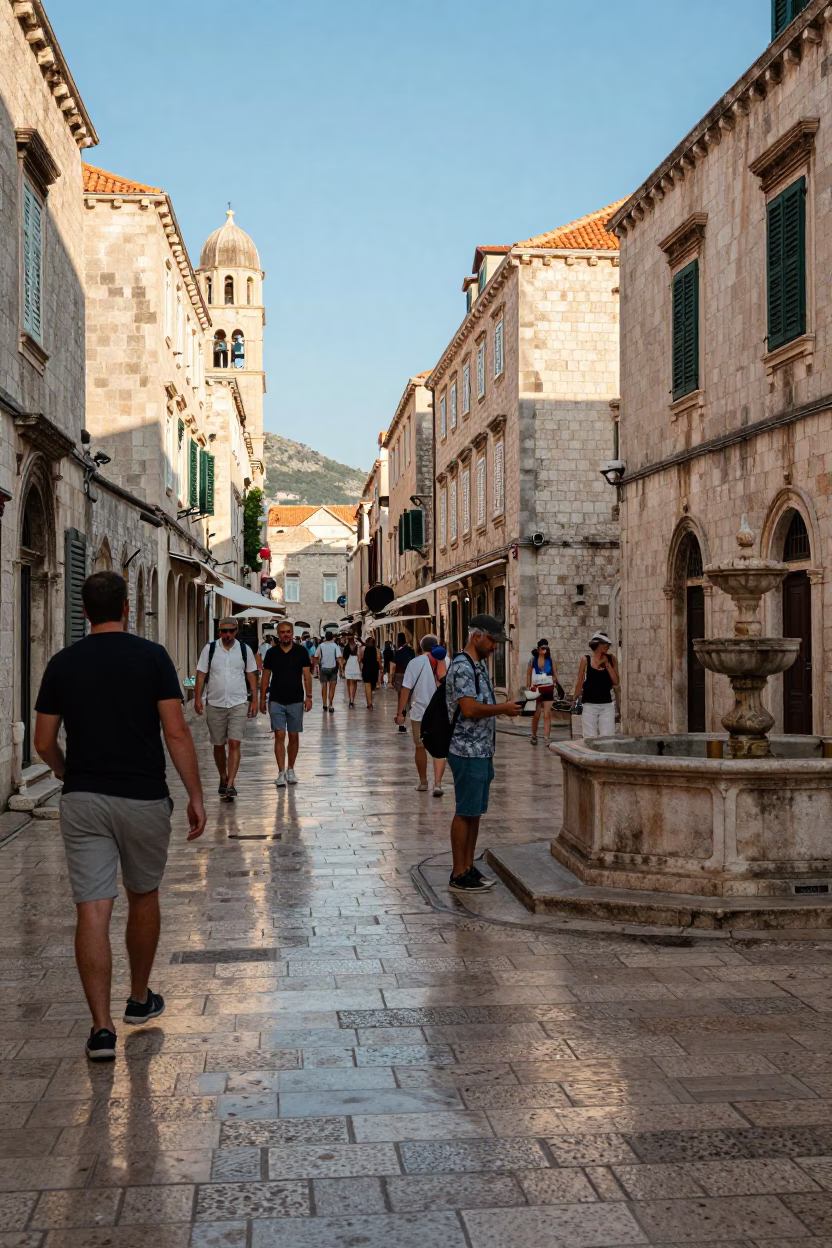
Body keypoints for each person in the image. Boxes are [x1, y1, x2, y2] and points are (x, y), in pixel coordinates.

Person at [33, 571, 206, 1062]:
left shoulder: (62, 664)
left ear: (83, 611)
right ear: (127, 608)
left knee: (92, 907)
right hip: (143, 797)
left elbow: (43, 743)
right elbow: (176, 733)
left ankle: (101, 1029)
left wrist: (70, 773)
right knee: (143, 894)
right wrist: (195, 793)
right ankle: (138, 999)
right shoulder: (152, 658)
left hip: (84, 796)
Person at [446, 615, 522, 893]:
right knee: (465, 811)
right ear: (477, 636)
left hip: (481, 750)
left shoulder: (476, 666)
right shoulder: (463, 667)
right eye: (492, 641)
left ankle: (468, 867)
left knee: (475, 812)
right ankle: (458, 873)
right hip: (466, 750)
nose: (495, 648)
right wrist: (504, 709)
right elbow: (469, 709)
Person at [194, 618, 258, 802]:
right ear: (219, 632)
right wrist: (198, 698)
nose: (227, 635)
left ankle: (230, 783)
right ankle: (222, 776)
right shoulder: (210, 649)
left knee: (234, 743)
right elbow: (201, 674)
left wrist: (254, 700)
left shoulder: (245, 650)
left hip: (238, 702)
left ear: (236, 631)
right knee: (218, 744)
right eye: (223, 631)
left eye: (230, 631)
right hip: (215, 702)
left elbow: (251, 675)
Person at [260, 618, 313, 785]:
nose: (285, 635)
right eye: (282, 632)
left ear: (292, 634)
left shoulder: (301, 652)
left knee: (294, 735)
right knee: (279, 734)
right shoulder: (271, 653)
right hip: (276, 698)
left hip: (296, 699)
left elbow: (307, 675)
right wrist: (262, 698)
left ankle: (291, 768)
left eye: (288, 632)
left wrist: (309, 696)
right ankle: (281, 772)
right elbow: (266, 677)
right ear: (278, 634)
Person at [395, 635, 447, 794]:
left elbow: (406, 689)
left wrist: (400, 713)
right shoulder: (447, 661)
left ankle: (423, 782)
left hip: (419, 711)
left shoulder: (414, 663)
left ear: (421, 647)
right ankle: (437, 784)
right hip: (441, 712)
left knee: (420, 746)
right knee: (440, 749)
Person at [573, 631, 620, 739]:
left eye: (607, 644)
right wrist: (575, 699)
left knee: (608, 738)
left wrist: (608, 665)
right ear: (598, 644)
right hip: (589, 705)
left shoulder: (612, 659)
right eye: (604, 643)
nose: (607, 646)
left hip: (607, 706)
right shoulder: (586, 660)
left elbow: (616, 682)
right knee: (589, 738)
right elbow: (579, 682)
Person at [526, 639, 560, 747]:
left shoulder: (550, 660)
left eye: (546, 648)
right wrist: (528, 686)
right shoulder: (532, 660)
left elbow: (555, 674)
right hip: (536, 689)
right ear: (538, 649)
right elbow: (528, 674)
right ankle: (534, 736)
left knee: (547, 714)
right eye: (542, 648)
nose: (544, 650)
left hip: (548, 688)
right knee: (536, 714)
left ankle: (546, 737)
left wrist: (557, 684)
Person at [392, 632, 416, 730]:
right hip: (409, 675)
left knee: (400, 698)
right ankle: (405, 718)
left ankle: (401, 721)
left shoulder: (398, 651)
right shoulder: (411, 651)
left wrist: (391, 678)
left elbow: (393, 665)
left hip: (399, 675)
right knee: (408, 699)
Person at [315, 631, 340, 713]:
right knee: (332, 687)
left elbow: (316, 656)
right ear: (332, 637)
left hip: (323, 668)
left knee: (324, 686)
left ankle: (324, 704)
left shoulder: (321, 645)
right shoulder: (335, 645)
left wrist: (317, 665)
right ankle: (331, 704)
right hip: (333, 668)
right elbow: (338, 657)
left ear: (325, 637)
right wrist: (342, 668)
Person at [360, 635, 381, 709]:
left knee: (367, 686)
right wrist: (380, 669)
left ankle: (369, 703)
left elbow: (361, 659)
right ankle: (370, 701)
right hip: (374, 669)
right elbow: (378, 660)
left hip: (366, 669)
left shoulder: (364, 649)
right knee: (372, 686)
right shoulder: (376, 650)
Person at [342, 634, 361, 707]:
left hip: (349, 666)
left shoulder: (346, 647)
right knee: (354, 683)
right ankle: (352, 698)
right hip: (356, 666)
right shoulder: (358, 646)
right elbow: (360, 657)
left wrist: (342, 668)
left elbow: (344, 659)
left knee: (349, 683)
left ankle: (351, 698)